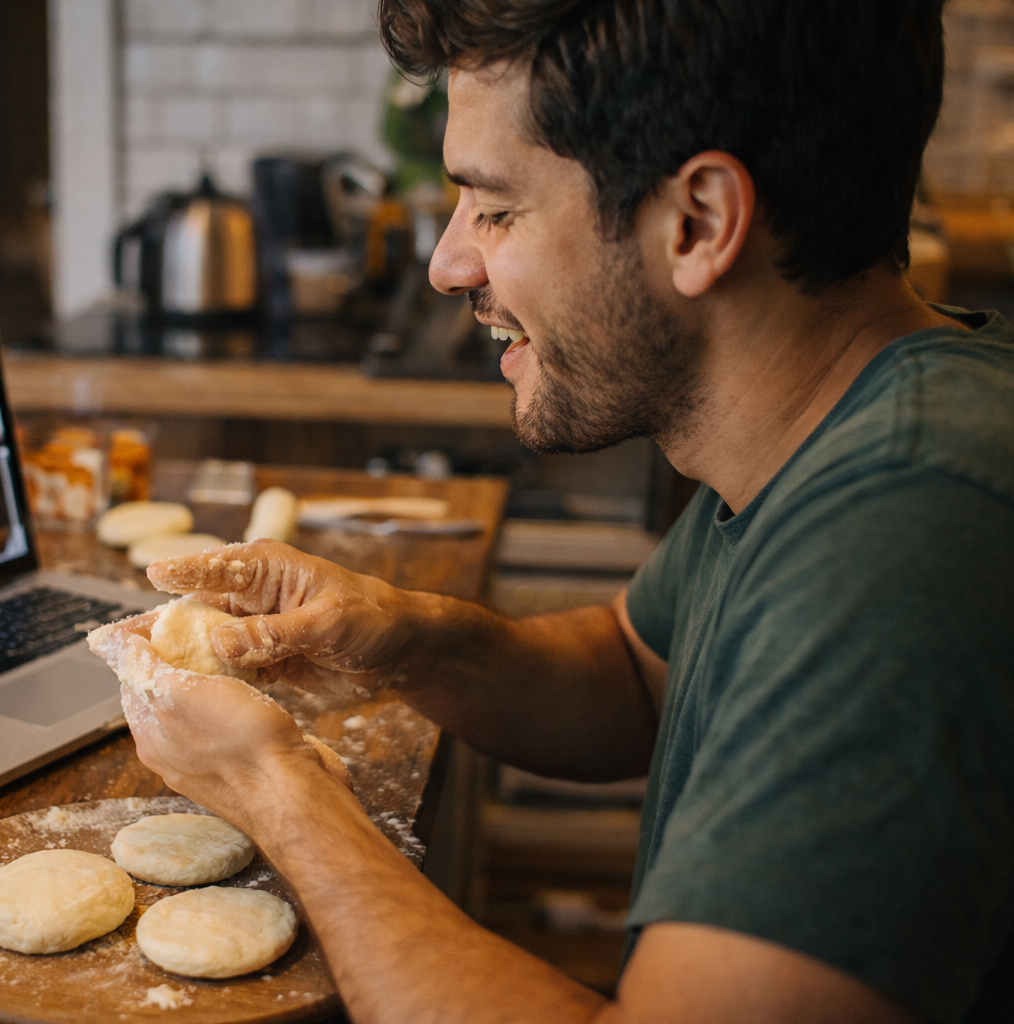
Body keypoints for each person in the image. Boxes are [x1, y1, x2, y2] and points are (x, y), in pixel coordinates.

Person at [87, 2, 1014, 1022]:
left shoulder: (903, 541)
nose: (448, 265)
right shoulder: (836, 431)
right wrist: (395, 635)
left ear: (698, 221)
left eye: (493, 206)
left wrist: (276, 786)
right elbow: (633, 676)